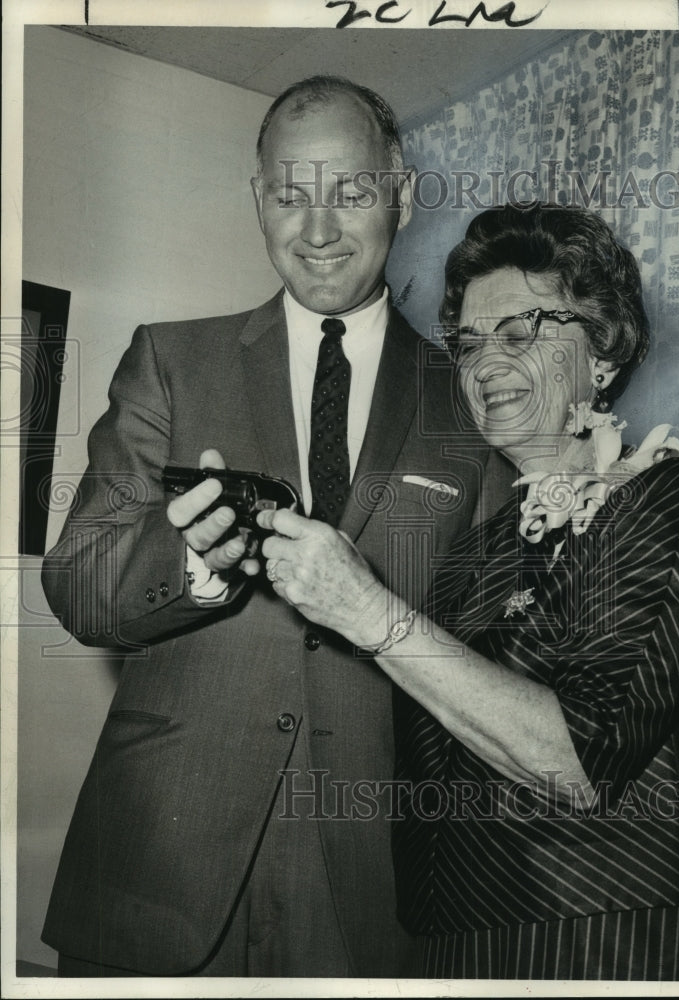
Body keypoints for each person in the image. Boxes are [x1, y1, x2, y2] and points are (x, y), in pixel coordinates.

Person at [40, 76, 498, 978]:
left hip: (372, 890)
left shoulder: (471, 399)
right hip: (157, 873)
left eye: (351, 192)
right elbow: (78, 588)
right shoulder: (170, 361)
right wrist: (195, 565)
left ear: (401, 192)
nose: (318, 229)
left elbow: (490, 652)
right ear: (259, 199)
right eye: (290, 195)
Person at [259, 202, 679, 980]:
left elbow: (577, 762)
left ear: (604, 352)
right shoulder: (478, 547)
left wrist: (366, 609)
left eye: (521, 332)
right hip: (452, 943)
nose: (485, 363)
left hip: (611, 941)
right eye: (468, 342)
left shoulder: (665, 498)